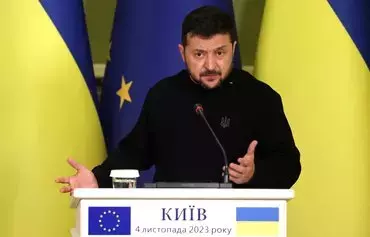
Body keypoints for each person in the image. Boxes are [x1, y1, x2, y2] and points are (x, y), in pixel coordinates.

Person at [56, 5, 301, 193]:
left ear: (233, 50)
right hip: (170, 220)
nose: (210, 65)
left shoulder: (260, 97)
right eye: (199, 54)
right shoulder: (164, 95)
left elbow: (289, 165)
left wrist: (254, 174)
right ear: (182, 53)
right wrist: (97, 179)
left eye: (220, 53)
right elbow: (134, 153)